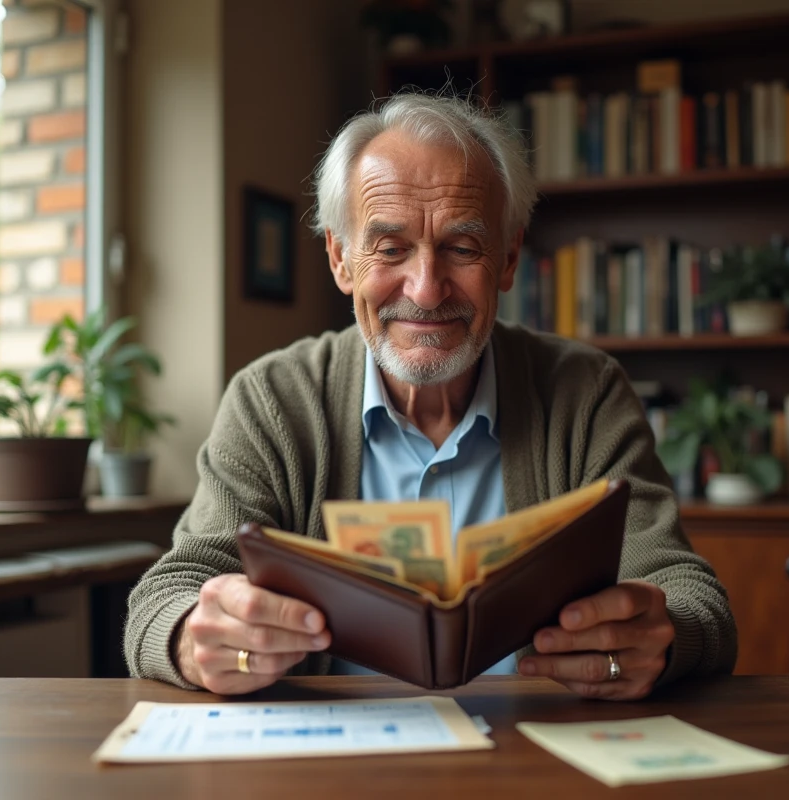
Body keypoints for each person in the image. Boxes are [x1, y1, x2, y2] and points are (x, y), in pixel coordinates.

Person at [124, 92, 737, 701]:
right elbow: (167, 594)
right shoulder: (273, 401)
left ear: (508, 258)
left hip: (537, 761)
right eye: (390, 249)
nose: (425, 289)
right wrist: (192, 638)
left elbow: (689, 595)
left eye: (462, 248)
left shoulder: (587, 393)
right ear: (342, 260)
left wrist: (662, 638)